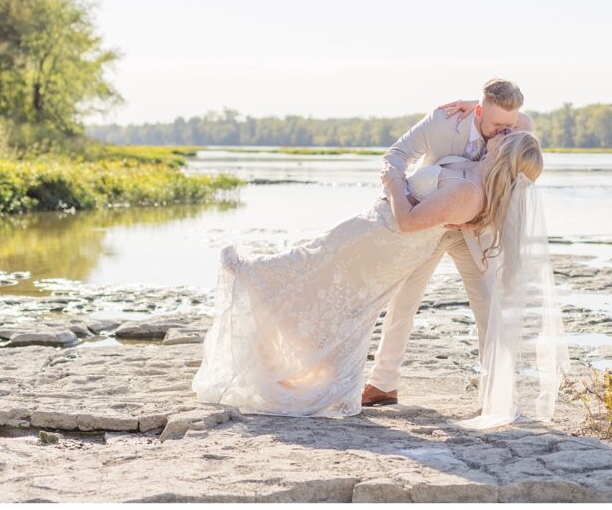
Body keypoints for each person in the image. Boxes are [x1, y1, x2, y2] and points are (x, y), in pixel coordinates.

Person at [191, 126, 565, 426]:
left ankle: (252, 279)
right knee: (320, 276)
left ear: (504, 153)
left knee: (316, 272)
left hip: (384, 241)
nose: (498, 133)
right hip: (372, 230)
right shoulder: (471, 170)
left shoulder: (470, 191)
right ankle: (301, 366)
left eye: (504, 135)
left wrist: (393, 183)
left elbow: (408, 222)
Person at [362, 79, 534, 408]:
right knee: (402, 303)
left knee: (489, 308)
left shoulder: (517, 127)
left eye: (509, 126)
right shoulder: (442, 122)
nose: (503, 133)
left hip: (476, 229)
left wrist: (476, 219)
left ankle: (496, 393)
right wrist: (397, 185)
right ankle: (383, 385)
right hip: (429, 222)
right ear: (479, 111)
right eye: (497, 124)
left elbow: (515, 178)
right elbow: (396, 155)